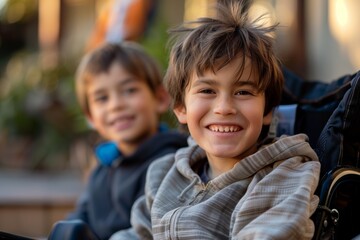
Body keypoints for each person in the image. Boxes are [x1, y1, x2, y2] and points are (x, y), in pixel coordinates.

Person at [110, 0, 320, 239]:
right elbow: (138, 234)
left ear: (267, 111)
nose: (224, 108)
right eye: (207, 91)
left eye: (243, 92)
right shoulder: (164, 173)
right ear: (180, 107)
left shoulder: (282, 177)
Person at [48, 42, 188, 240]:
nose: (116, 105)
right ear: (90, 117)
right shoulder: (102, 169)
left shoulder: (171, 162)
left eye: (130, 90)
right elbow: (81, 217)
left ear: (160, 99)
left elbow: (149, 230)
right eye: (102, 98)